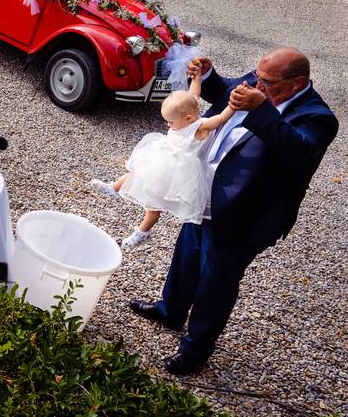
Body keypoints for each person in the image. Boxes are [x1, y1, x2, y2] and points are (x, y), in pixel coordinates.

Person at [128, 47, 338, 375]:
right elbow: (224, 90)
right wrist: (208, 75)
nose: (256, 84)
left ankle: (195, 349)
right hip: (203, 194)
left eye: (267, 82)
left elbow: (299, 152)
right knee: (186, 256)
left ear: (297, 83)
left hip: (244, 214)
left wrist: (262, 110)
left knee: (216, 281)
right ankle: (170, 310)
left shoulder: (318, 117)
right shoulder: (259, 81)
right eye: (256, 76)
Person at [91, 73, 236, 250]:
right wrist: (197, 77)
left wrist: (233, 105)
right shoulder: (186, 114)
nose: (168, 125)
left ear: (188, 119)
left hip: (177, 172)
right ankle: (113, 188)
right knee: (137, 173)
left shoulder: (200, 128)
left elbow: (221, 119)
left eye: (170, 122)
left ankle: (142, 232)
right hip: (162, 159)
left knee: (154, 206)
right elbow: (194, 95)